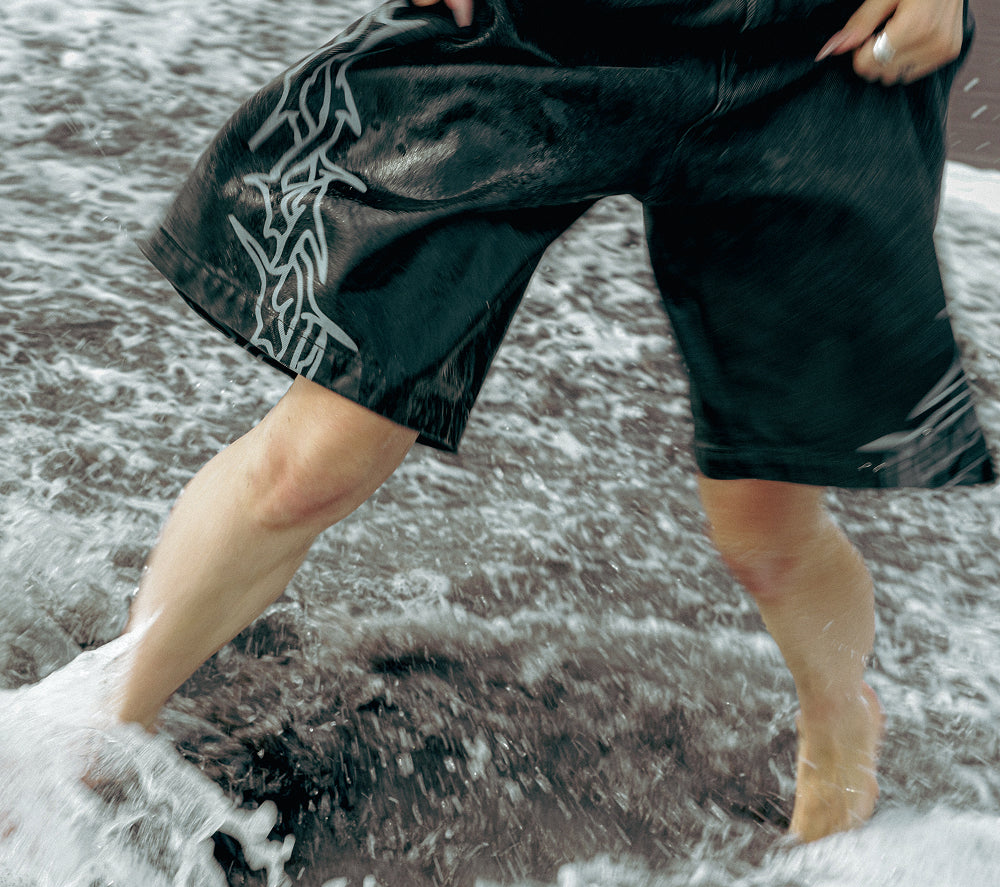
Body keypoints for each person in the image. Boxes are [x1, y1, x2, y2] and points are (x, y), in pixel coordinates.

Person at [102, 0, 989, 843]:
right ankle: (98, 740)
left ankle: (838, 717)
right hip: (539, 28)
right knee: (316, 459)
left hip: (814, 55)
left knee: (766, 533)